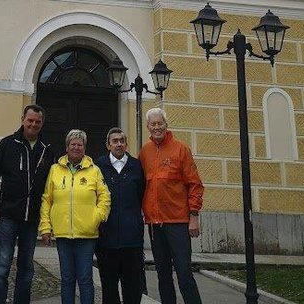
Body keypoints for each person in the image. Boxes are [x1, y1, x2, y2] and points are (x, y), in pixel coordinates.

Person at [0, 104, 55, 304]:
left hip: (31, 219)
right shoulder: (8, 144)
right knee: (1, 267)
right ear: (23, 120)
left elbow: (51, 185)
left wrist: (47, 218)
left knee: (26, 269)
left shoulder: (46, 150)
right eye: (30, 120)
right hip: (7, 215)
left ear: (42, 123)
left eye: (37, 122)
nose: (33, 124)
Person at [139, 108, 204, 304]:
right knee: (163, 275)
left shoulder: (180, 149)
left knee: (184, 273)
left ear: (166, 125)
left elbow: (195, 184)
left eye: (160, 123)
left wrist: (194, 216)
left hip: (178, 222)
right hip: (154, 225)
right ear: (148, 127)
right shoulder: (145, 152)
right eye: (153, 124)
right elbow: (141, 185)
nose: (157, 127)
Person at [39, 129, 111, 304]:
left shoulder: (94, 170)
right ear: (67, 147)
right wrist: (45, 227)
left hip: (87, 234)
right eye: (73, 144)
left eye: (80, 144)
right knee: (67, 279)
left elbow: (105, 196)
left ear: (85, 148)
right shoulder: (55, 169)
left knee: (85, 279)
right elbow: (47, 199)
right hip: (63, 234)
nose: (76, 147)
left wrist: (98, 216)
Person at [95, 127, 145, 304]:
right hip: (106, 239)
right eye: (114, 141)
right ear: (108, 145)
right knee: (109, 288)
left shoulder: (136, 166)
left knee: (132, 288)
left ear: (126, 144)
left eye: (121, 141)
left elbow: (141, 194)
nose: (118, 144)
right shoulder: (98, 166)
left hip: (132, 239)